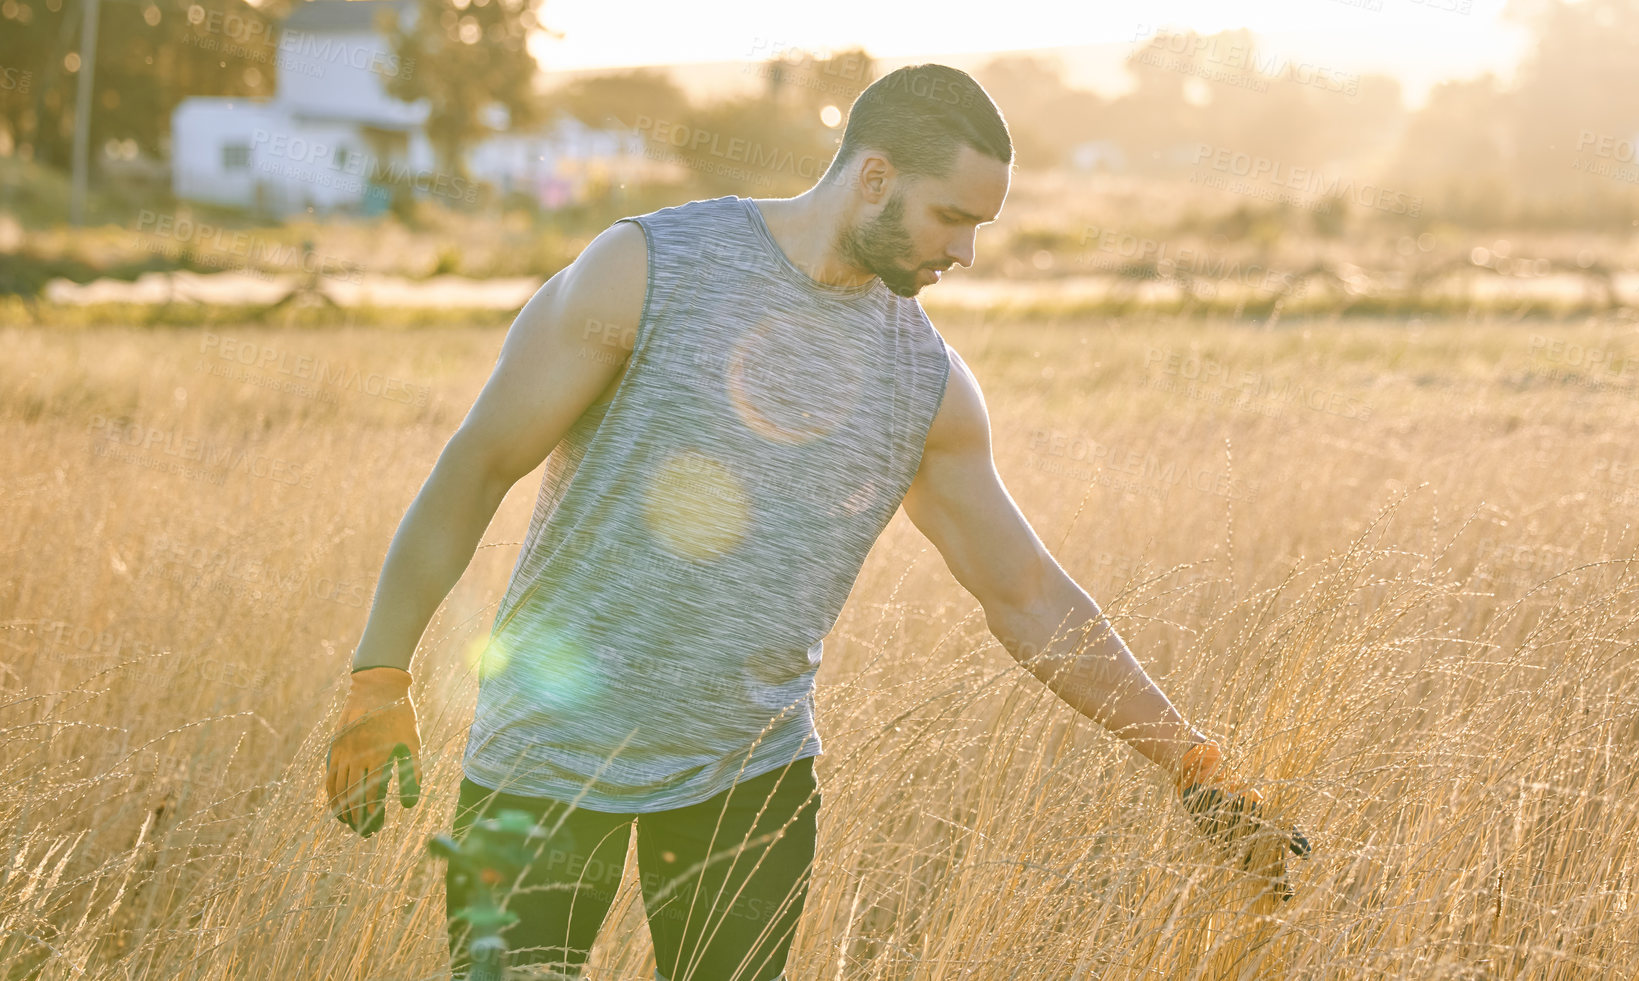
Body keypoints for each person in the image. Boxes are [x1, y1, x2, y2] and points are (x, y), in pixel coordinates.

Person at [323, 63, 1308, 981]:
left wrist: (1194, 765)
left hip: (749, 788)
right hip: (540, 766)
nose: (966, 252)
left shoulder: (925, 386)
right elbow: (479, 465)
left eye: (981, 228)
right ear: (873, 176)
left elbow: (1027, 593)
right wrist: (379, 680)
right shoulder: (645, 270)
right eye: (952, 217)